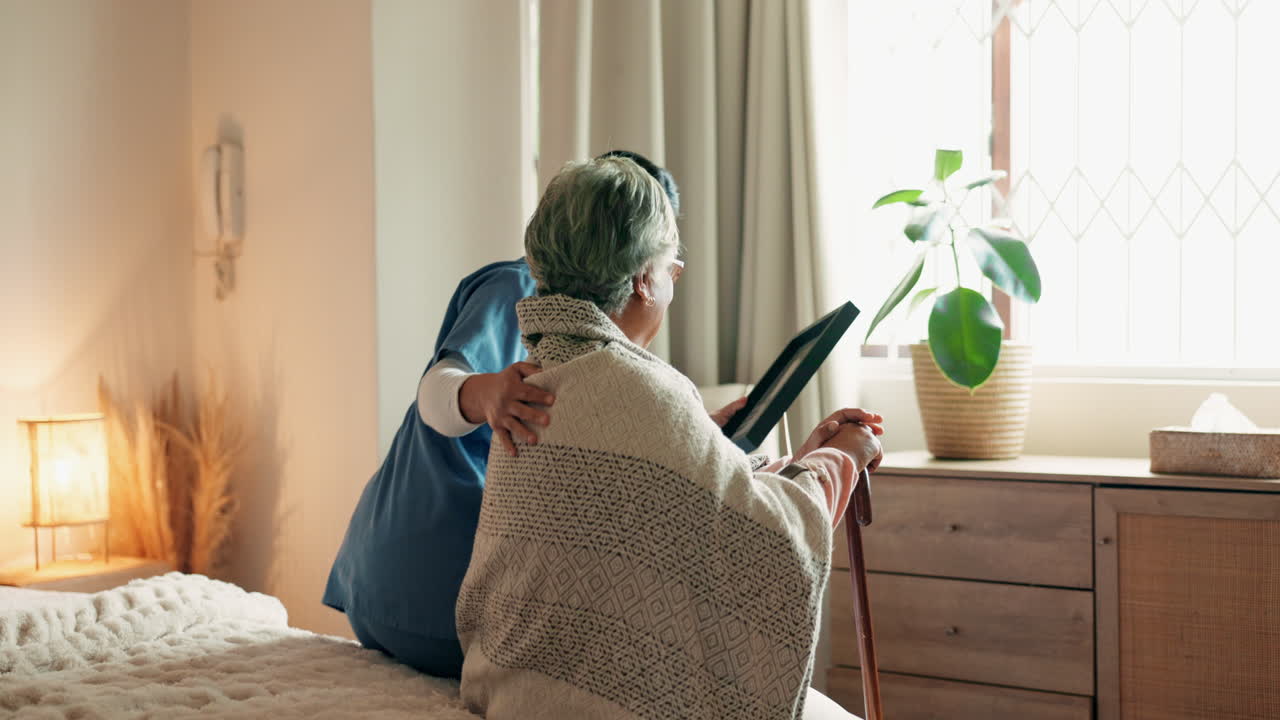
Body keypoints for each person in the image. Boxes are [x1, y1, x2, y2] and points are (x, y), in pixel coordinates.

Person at [456, 156, 884, 719]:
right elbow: (769, 543)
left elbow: (672, 507)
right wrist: (842, 454)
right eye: (671, 270)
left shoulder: (538, 376)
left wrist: (797, 460)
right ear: (642, 279)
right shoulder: (644, 389)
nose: (671, 283)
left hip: (509, 688)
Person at [323, 151, 689, 679]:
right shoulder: (518, 289)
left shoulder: (588, 340)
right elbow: (435, 391)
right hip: (431, 582)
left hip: (384, 592)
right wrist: (488, 393)